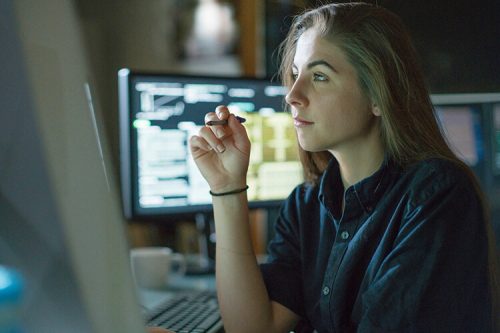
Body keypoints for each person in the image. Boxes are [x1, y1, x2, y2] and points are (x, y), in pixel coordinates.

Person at [189, 2, 499, 332]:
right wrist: (226, 188)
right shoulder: (305, 204)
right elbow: (254, 329)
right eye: (295, 75)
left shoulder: (436, 196)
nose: (293, 95)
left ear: (379, 95)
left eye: (319, 76)